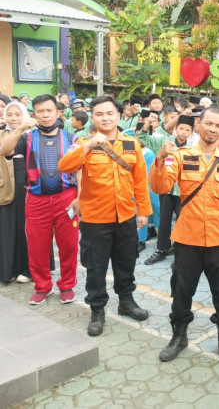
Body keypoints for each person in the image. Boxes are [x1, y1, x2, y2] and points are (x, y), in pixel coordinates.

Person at [150, 105, 219, 363]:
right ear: (199, 124)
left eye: (218, 125)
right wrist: (159, 159)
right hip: (187, 238)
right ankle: (179, 335)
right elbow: (160, 185)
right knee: (182, 291)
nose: (213, 129)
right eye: (209, 124)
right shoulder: (180, 156)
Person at [58, 95, 152, 336]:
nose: (105, 118)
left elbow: (140, 180)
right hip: (94, 218)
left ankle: (126, 301)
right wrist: (88, 146)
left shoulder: (131, 143)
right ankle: (97, 309)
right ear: (92, 116)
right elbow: (64, 166)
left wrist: (144, 212)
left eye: (110, 113)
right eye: (99, 114)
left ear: (119, 115)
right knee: (96, 266)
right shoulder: (82, 142)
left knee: (126, 261)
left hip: (125, 217)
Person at [0, 96, 80, 304]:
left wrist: (80, 198)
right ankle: (43, 287)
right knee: (37, 248)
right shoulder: (27, 139)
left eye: (49, 111)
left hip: (66, 198)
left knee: (69, 246)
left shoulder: (71, 138)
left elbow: (79, 170)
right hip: (36, 200)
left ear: (57, 113)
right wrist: (20, 129)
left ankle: (67, 285)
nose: (45, 115)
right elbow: (3, 150)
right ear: (34, 115)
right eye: (40, 112)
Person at [142, 114, 195, 265]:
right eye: (181, 128)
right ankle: (161, 249)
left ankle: (179, 250)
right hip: (166, 188)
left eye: (187, 130)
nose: (184, 132)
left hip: (183, 191)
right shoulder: (165, 143)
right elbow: (144, 139)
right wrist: (147, 123)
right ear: (176, 129)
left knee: (181, 220)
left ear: (191, 132)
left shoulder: (192, 149)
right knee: (164, 220)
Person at [0, 100, 32, 284]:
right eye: (10, 115)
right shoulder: (2, 134)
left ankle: (27, 269)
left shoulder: (33, 135)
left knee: (26, 228)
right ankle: (8, 269)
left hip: (28, 186)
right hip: (6, 187)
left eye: (17, 114)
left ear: (24, 115)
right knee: (7, 228)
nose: (13, 118)